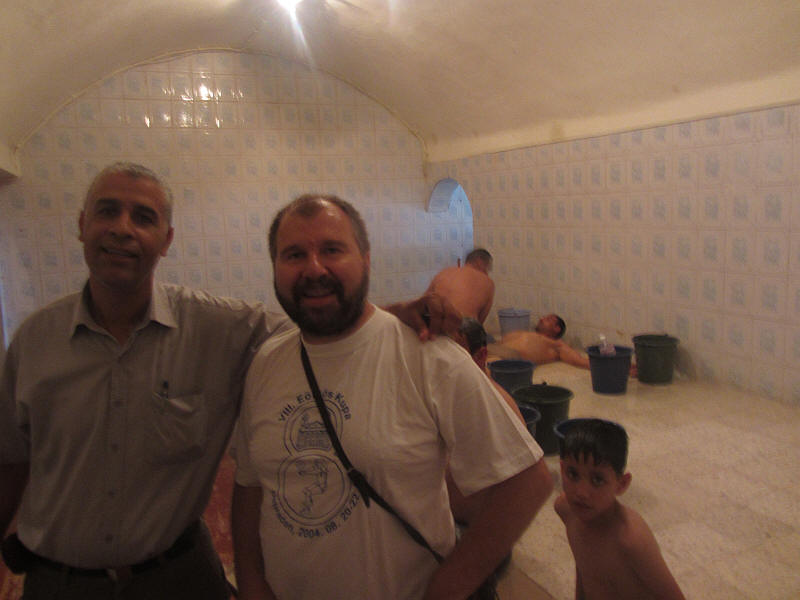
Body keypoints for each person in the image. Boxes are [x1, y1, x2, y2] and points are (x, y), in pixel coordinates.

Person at [0, 162, 459, 600]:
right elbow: (11, 462)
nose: (123, 228)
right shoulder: (33, 341)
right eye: (107, 211)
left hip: (181, 579)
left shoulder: (219, 328)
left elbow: (322, 324)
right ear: (82, 225)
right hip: (61, 585)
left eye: (143, 217)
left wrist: (393, 315)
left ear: (167, 239)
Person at [231, 194, 553, 600]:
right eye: (294, 254)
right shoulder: (267, 362)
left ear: (366, 260)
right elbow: (250, 486)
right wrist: (251, 582)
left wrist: (447, 588)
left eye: (332, 250)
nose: (314, 268)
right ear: (275, 267)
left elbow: (528, 481)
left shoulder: (427, 354)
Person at [554, 419, 686, 600]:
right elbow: (584, 568)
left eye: (597, 480)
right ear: (562, 469)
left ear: (621, 484)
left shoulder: (631, 539)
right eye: (573, 474)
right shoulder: (566, 509)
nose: (581, 493)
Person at [491, 313, 591, 369]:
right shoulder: (530, 334)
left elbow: (581, 361)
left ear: (557, 329)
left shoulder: (557, 345)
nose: (542, 319)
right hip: (493, 349)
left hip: (503, 359)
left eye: (548, 319)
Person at [425, 248, 495, 324]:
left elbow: (423, 303)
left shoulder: (444, 272)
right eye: (487, 268)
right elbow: (479, 321)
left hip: (434, 323)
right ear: (479, 262)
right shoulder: (488, 282)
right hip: (462, 325)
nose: (487, 273)